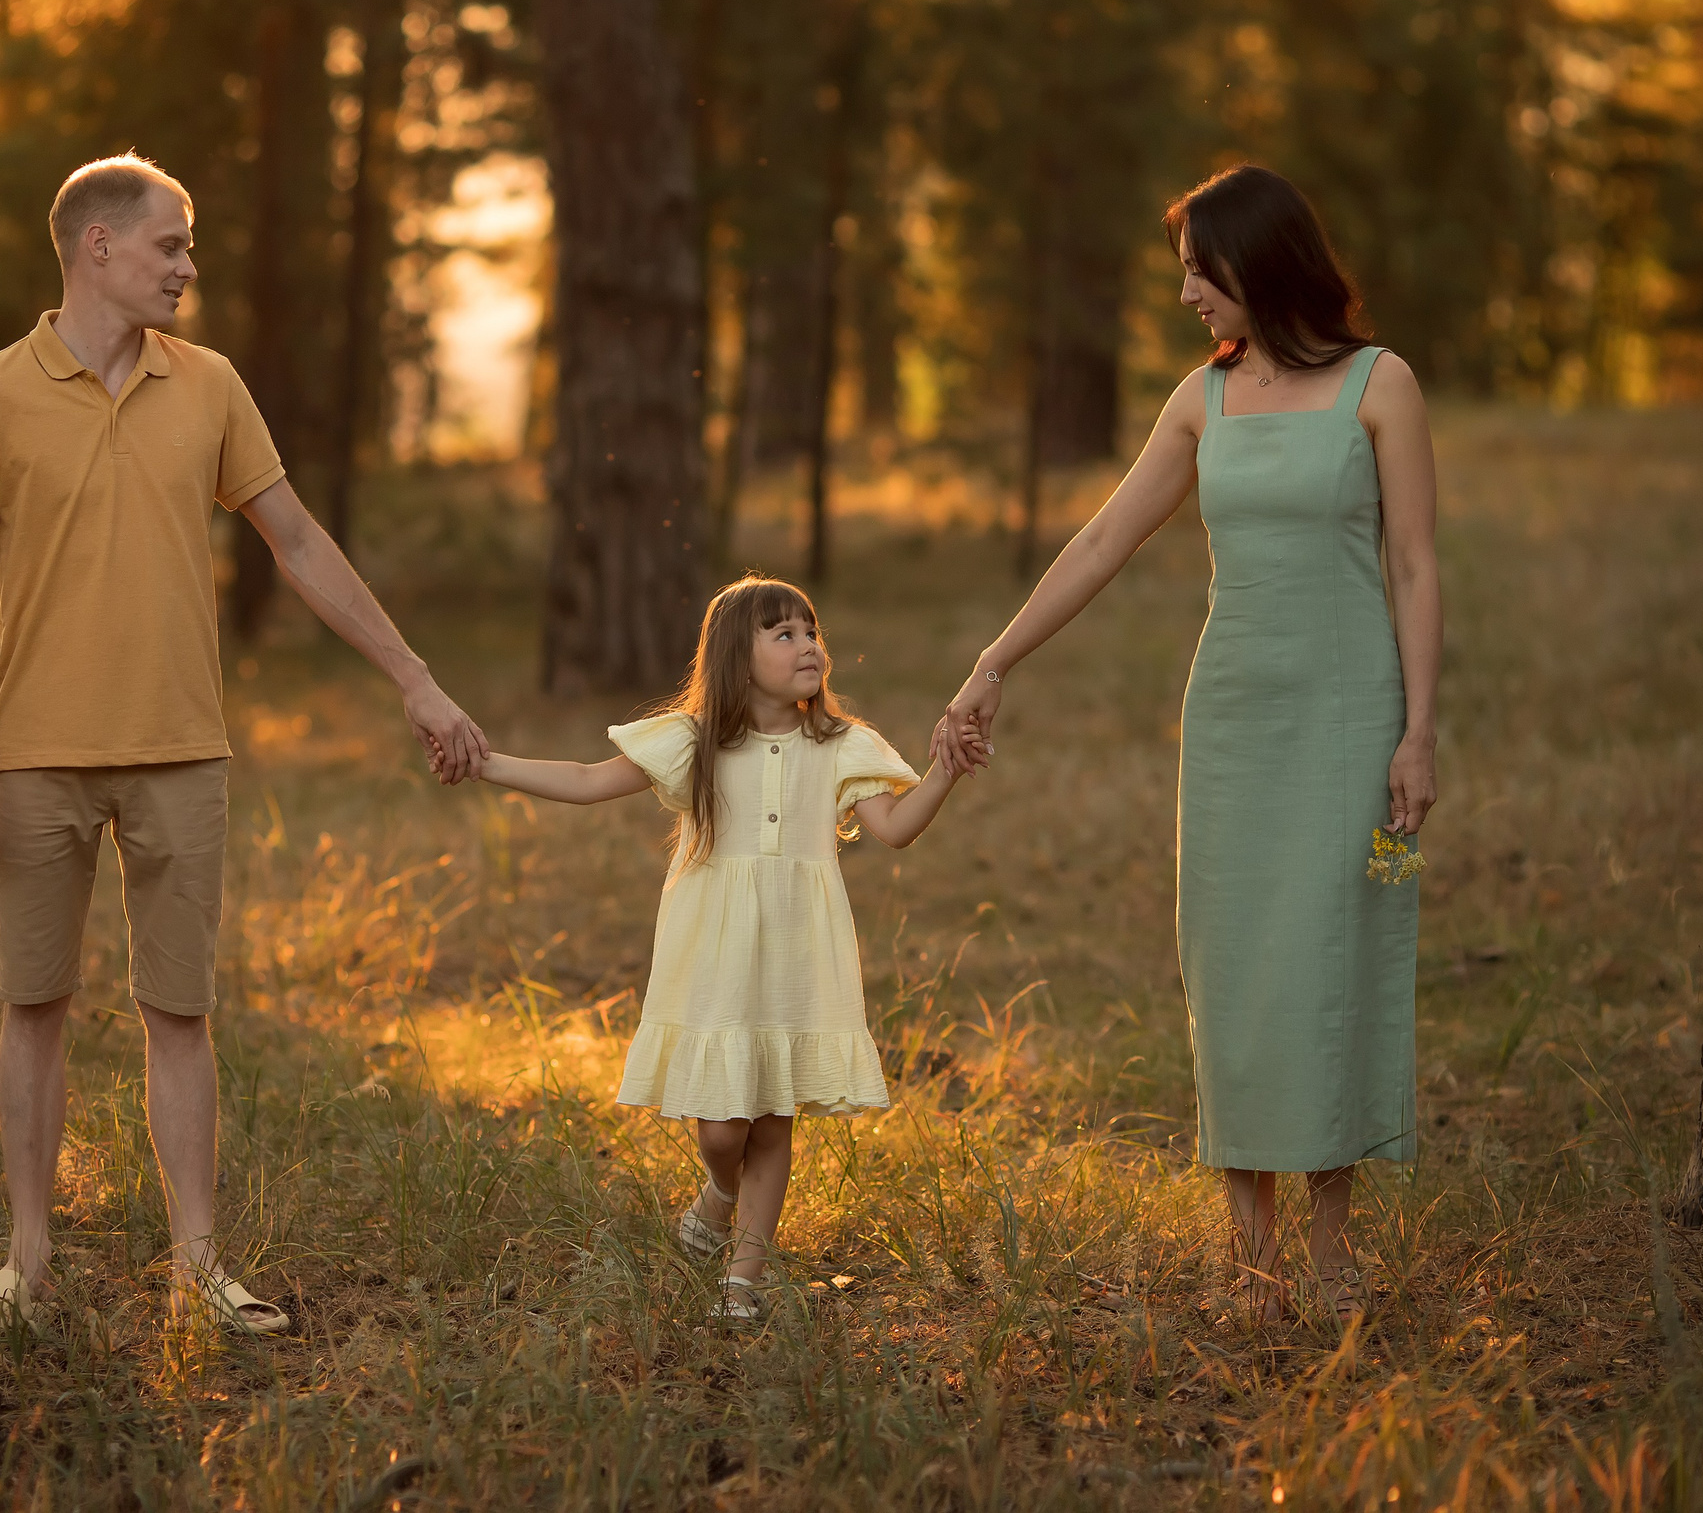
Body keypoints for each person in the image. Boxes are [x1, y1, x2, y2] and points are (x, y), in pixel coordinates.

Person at [0, 153, 488, 1337]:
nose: (188, 264)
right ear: (99, 249)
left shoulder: (213, 385)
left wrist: (417, 679)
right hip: (34, 754)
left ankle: (195, 1263)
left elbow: (299, 541)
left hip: (184, 750)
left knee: (181, 1012)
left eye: (187, 246)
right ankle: (25, 1261)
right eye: (170, 244)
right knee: (36, 1006)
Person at [937, 165, 1441, 1326]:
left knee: (1333, 949)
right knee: (1232, 965)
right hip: (1228, 724)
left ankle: (1328, 1246)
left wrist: (1418, 730)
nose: (1183, 293)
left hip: (1352, 718)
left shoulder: (1382, 384)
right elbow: (1106, 537)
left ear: (1258, 264)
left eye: (1198, 270)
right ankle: (1247, 1246)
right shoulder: (1198, 398)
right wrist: (993, 660)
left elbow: (1414, 564)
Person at [469, 574, 966, 1318]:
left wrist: (947, 770)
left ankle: (744, 1274)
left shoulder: (841, 744)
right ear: (737, 657)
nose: (809, 646)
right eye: (785, 634)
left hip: (796, 951)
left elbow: (894, 828)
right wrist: (485, 763)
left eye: (812, 631)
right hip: (714, 950)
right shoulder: (693, 740)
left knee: (772, 1112)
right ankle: (719, 1191)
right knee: (723, 1126)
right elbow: (583, 779)